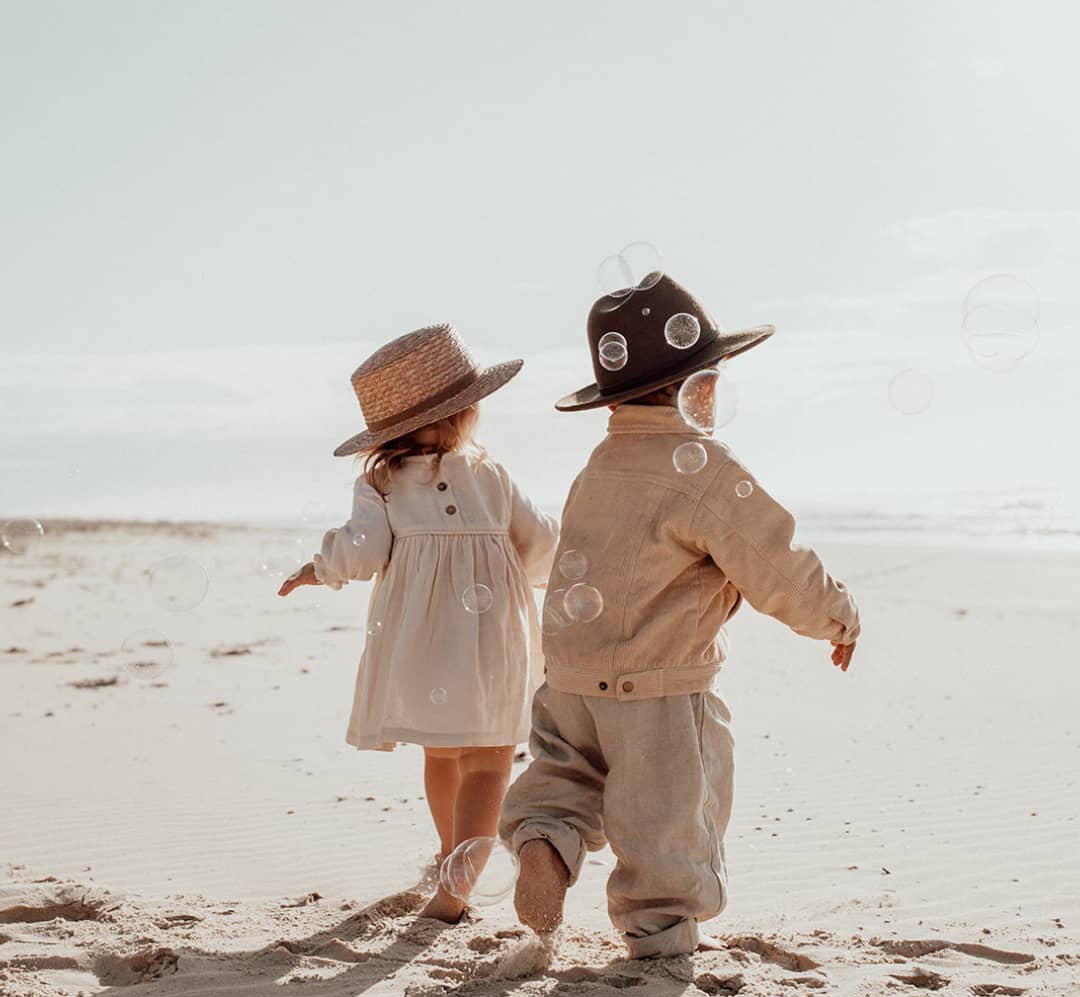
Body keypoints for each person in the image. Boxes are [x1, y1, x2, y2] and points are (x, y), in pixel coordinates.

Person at [499, 275, 860, 957]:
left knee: (567, 777)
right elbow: (775, 562)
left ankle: (546, 837)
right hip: (657, 688)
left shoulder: (598, 465)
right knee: (665, 816)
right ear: (697, 384)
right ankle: (659, 932)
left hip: (570, 677)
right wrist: (836, 615)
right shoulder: (707, 470)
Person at [281, 324, 558, 922]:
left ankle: (449, 855)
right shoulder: (492, 473)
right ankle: (458, 885)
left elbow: (363, 549)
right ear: (466, 409)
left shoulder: (380, 480)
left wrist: (319, 568)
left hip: (424, 641)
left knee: (440, 756)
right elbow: (542, 546)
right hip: (495, 641)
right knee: (489, 760)